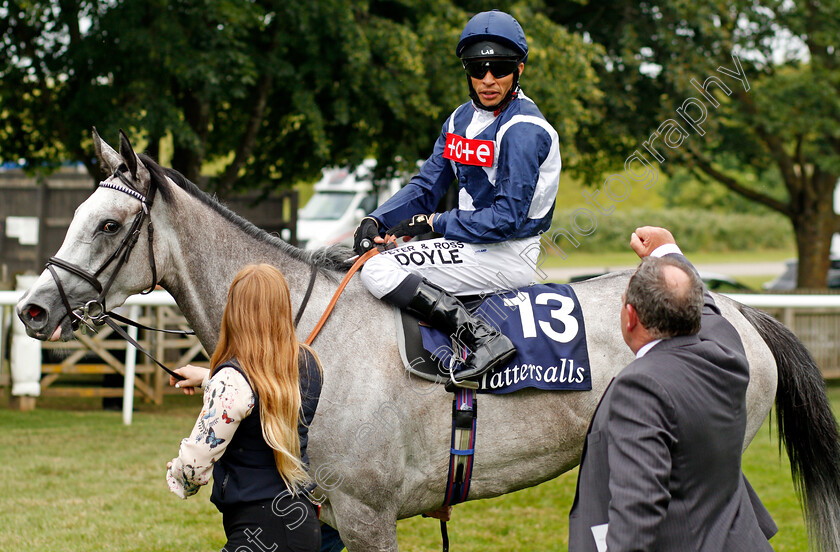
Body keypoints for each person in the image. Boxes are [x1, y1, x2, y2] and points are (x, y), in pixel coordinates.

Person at [353, 9, 562, 382]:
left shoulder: (524, 129)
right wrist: (376, 219)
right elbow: (427, 185)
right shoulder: (460, 121)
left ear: (519, 70)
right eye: (476, 68)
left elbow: (506, 220)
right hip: (468, 244)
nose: (487, 79)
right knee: (367, 257)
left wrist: (435, 222)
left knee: (377, 268)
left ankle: (482, 338)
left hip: (507, 252)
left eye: (499, 67)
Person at [568, 226, 777, 551]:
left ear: (631, 317)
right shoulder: (727, 351)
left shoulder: (640, 389)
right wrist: (667, 251)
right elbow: (705, 308)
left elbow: (636, 512)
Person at [166, 264, 322, 552]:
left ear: (234, 311)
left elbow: (193, 466)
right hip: (301, 524)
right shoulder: (309, 361)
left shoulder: (232, 382)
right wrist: (208, 379)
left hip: (260, 532)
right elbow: (269, 391)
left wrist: (177, 472)